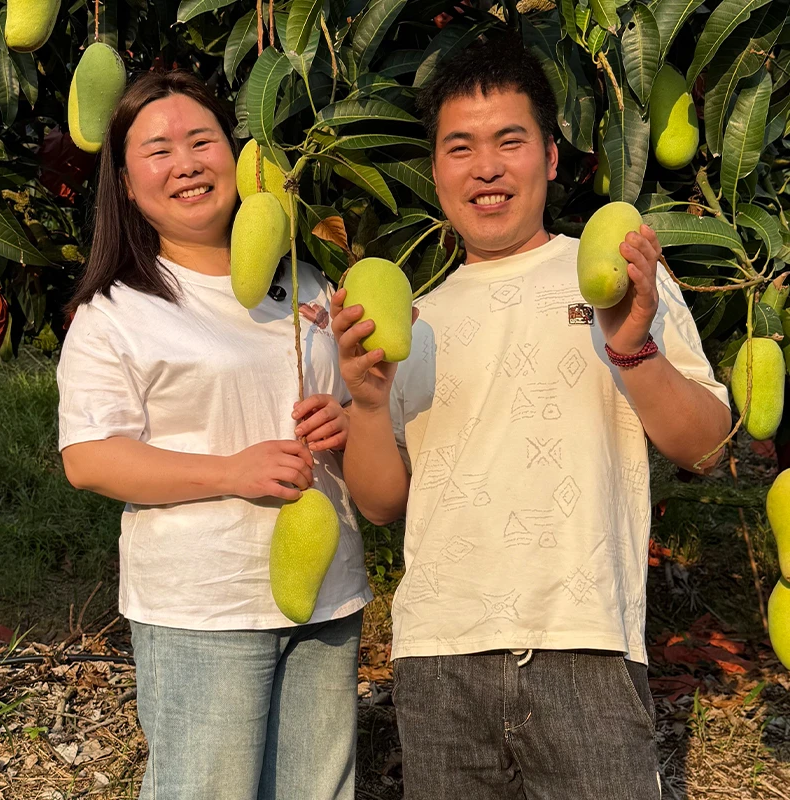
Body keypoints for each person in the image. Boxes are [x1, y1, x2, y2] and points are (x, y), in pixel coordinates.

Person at [332, 34, 731, 800]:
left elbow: (706, 443)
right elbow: (382, 503)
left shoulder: (618, 277)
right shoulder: (414, 319)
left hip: (585, 647)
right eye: (460, 147)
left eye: (509, 141)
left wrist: (634, 349)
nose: (486, 167)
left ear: (550, 157)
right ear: (437, 169)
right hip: (442, 655)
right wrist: (370, 402)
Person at [56, 70, 371, 800]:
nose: (188, 162)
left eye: (203, 140)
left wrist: (348, 422)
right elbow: (90, 459)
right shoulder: (118, 312)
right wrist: (232, 471)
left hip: (326, 590)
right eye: (159, 151)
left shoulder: (311, 288)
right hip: (203, 603)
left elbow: (365, 408)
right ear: (128, 185)